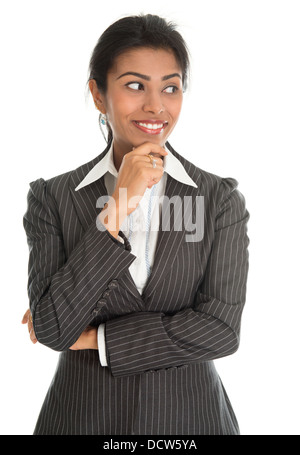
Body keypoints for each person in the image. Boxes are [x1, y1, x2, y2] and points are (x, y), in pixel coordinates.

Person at [22, 14, 249, 435]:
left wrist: (96, 340)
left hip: (191, 420)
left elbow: (221, 331)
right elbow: (53, 328)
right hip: (81, 419)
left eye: (170, 87)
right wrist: (118, 207)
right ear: (97, 93)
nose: (155, 106)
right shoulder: (52, 198)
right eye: (134, 85)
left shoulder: (218, 200)